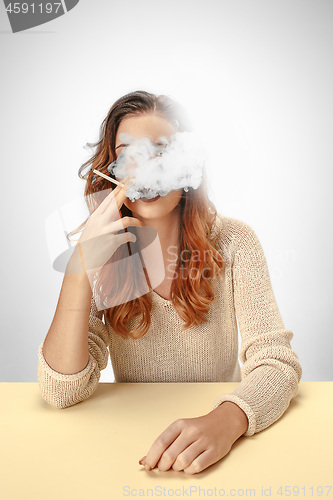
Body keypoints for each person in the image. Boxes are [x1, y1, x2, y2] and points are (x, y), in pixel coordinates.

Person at [38, 90, 302, 475]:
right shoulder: (103, 254)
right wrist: (81, 263)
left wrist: (226, 422)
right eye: (129, 152)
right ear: (110, 169)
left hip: (222, 454)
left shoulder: (235, 243)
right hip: (125, 451)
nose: (146, 168)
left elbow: (276, 362)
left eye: (161, 152)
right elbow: (61, 391)